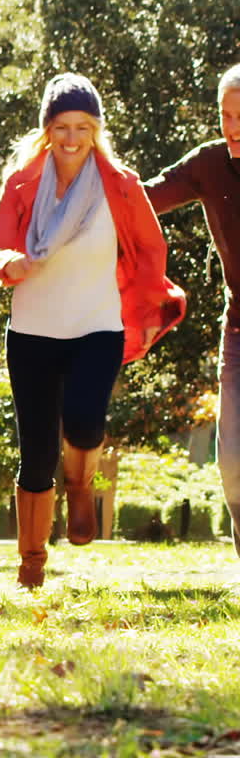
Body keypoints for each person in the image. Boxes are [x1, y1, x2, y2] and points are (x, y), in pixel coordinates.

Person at [0, 73, 186, 589]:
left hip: (97, 325)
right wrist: (9, 262)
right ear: (47, 129)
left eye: (83, 127)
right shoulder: (23, 182)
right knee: (37, 451)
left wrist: (144, 301)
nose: (72, 139)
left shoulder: (121, 185)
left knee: (87, 422)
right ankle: (31, 562)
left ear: (96, 130)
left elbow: (150, 249)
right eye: (62, 127)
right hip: (32, 331)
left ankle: (81, 486)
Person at [144, 65, 240, 557]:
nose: (233, 127)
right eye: (226, 115)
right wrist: (88, 184)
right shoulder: (210, 163)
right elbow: (147, 197)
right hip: (239, 329)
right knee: (233, 463)